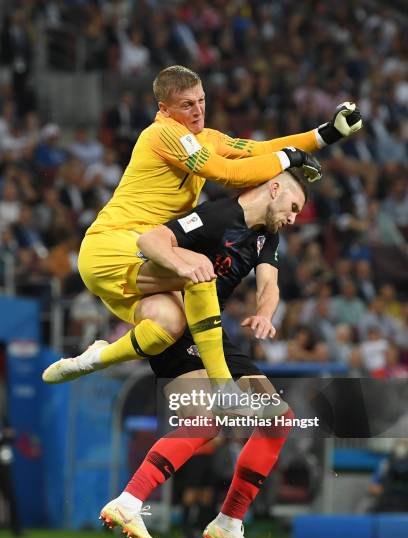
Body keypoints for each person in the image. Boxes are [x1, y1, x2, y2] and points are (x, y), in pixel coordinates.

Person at [42, 64, 362, 388]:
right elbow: (226, 172)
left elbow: (259, 150)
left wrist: (324, 135)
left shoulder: (205, 138)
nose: (198, 110)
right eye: (187, 104)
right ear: (164, 109)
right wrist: (289, 159)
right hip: (112, 245)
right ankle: (224, 387)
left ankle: (93, 360)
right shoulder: (162, 134)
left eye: (201, 100)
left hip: (140, 258)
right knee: (200, 268)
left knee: (170, 323)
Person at [99, 168, 306, 538]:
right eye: (294, 207)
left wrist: (265, 314)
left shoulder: (267, 235)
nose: (294, 218)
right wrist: (181, 267)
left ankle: (229, 522)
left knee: (276, 420)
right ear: (275, 188)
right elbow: (153, 240)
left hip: (214, 332)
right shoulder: (214, 217)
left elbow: (270, 286)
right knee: (210, 417)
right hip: (178, 325)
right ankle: (129, 501)